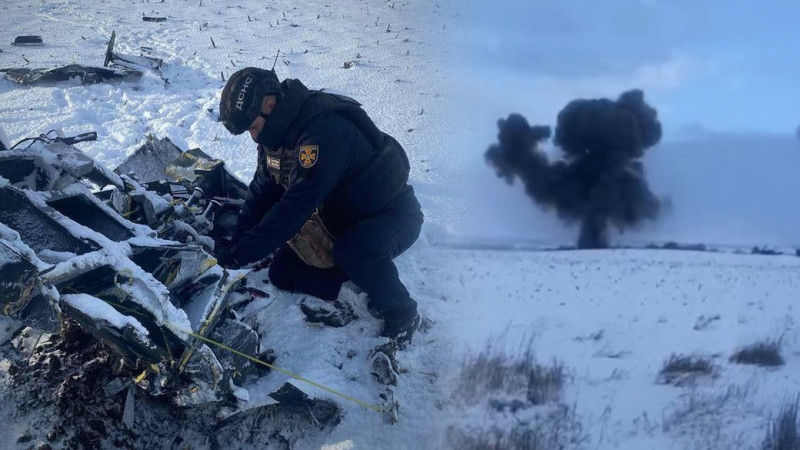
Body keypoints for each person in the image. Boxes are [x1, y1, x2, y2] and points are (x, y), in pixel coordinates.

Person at [217, 67, 424, 344]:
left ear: (269, 103)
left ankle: (402, 312)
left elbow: (295, 207)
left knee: (355, 253)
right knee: (282, 273)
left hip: (392, 215)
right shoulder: (276, 132)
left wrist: (241, 255)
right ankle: (352, 274)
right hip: (341, 214)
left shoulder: (323, 132)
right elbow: (262, 189)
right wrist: (236, 242)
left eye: (253, 127)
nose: (254, 137)